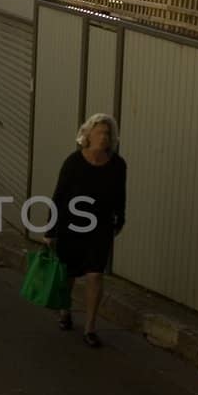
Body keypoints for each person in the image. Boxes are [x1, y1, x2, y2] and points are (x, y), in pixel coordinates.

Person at [45, 113, 127, 349]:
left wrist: (120, 219)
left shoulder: (118, 165)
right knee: (69, 273)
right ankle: (65, 310)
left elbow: (120, 195)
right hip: (72, 223)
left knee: (95, 274)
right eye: (100, 132)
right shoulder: (73, 162)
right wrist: (51, 229)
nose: (105, 137)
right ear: (87, 135)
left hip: (100, 226)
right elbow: (59, 196)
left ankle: (90, 327)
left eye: (108, 133)